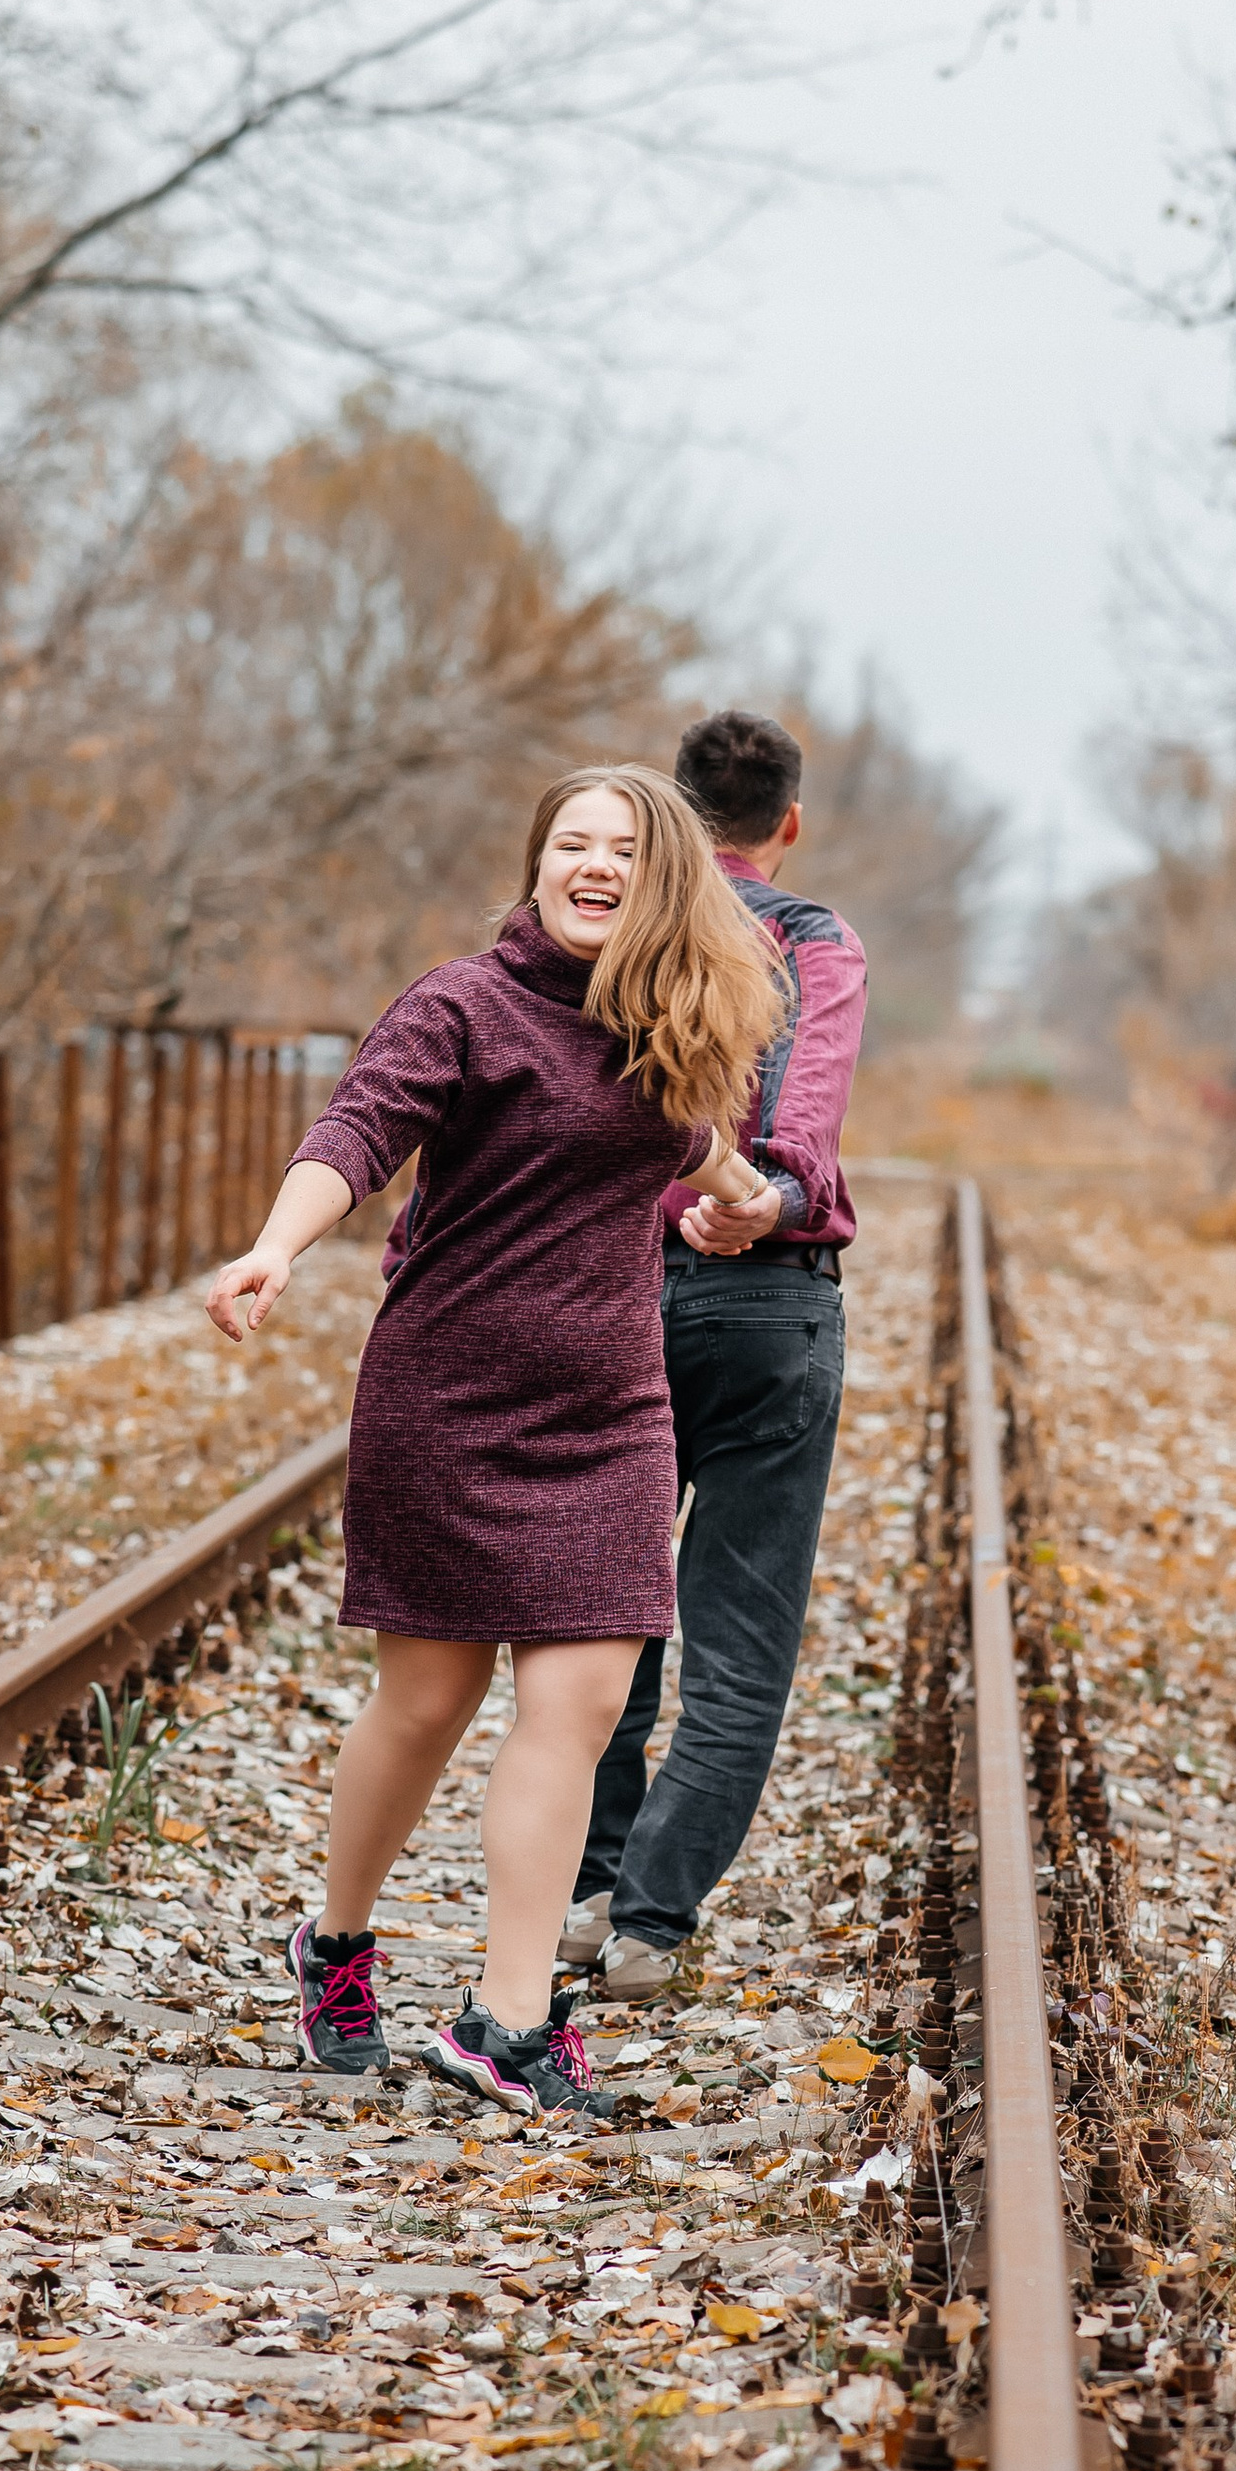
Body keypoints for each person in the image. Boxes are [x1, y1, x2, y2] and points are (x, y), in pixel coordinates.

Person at [203, 767, 784, 2121]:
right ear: (536, 868)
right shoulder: (459, 1005)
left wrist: (746, 1201)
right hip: (448, 1402)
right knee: (427, 1704)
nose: (593, 865)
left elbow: (695, 1146)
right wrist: (276, 1247)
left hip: (611, 1414)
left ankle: (504, 2022)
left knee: (577, 1711)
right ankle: (336, 1943)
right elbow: (359, 1131)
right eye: (570, 844)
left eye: (623, 849)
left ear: (666, 882)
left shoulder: (669, 1026)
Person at [559, 709, 867, 2001]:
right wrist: (773, 1200)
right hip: (767, 1308)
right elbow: (808, 1113)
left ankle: (581, 1888)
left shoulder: (612, 928)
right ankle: (650, 1924)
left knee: (609, 1606)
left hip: (617, 1295)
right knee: (739, 1629)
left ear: (670, 815)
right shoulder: (816, 941)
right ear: (787, 823)